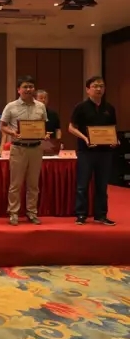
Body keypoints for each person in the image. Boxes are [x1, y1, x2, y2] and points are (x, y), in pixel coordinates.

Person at [68, 76, 117, 226]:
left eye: (101, 86)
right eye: (95, 86)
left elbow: (112, 129)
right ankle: (81, 214)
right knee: (82, 185)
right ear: (87, 89)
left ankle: (101, 215)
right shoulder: (81, 107)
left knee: (102, 185)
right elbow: (71, 127)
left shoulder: (109, 108)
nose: (98, 89)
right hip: (86, 152)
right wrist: (85, 138)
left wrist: (115, 140)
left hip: (105, 152)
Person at [0, 76, 48, 225]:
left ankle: (32, 212)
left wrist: (44, 134)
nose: (28, 89)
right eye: (25, 87)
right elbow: (2, 126)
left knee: (33, 184)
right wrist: (13, 133)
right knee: (16, 184)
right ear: (18, 90)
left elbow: (43, 125)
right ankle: (13, 213)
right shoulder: (11, 106)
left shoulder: (40, 106)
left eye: (31, 87)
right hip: (18, 148)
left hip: (36, 148)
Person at [35, 90, 62, 155]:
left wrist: (58, 141)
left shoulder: (53, 114)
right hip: (35, 144)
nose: (43, 100)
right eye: (41, 98)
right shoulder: (31, 113)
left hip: (51, 143)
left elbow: (58, 129)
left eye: (45, 98)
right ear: (35, 100)